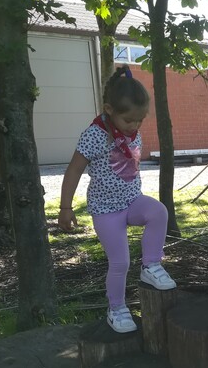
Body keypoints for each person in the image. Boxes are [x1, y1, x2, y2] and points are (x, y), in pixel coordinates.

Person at [58, 65, 176, 334]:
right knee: (120, 262)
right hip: (106, 211)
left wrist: (131, 126)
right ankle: (117, 308)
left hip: (132, 201)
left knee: (158, 211)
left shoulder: (131, 128)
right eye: (129, 121)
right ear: (109, 110)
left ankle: (151, 264)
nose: (134, 126)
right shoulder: (95, 135)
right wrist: (66, 207)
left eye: (139, 121)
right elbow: (74, 169)